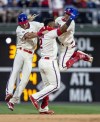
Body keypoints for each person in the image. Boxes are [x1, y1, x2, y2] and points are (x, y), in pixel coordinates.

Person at [25, 8, 78, 114]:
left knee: (47, 86)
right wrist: (71, 18)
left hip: (41, 62)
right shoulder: (50, 32)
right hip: (50, 62)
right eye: (54, 24)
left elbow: (30, 35)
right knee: (56, 85)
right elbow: (63, 29)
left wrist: (28, 33)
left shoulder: (41, 32)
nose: (55, 25)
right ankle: (35, 97)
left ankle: (44, 108)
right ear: (49, 25)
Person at [5, 13, 43, 111]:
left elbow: (46, 26)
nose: (23, 24)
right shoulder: (19, 29)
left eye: (24, 22)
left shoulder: (35, 24)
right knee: (15, 72)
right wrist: (41, 33)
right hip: (21, 52)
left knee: (25, 79)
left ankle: (12, 101)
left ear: (27, 21)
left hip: (30, 55)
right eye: (21, 23)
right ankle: (9, 93)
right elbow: (29, 35)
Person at [55, 7, 93, 71]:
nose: (67, 15)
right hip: (60, 44)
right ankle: (78, 54)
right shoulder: (58, 19)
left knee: (61, 68)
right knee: (54, 61)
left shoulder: (71, 23)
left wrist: (71, 18)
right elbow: (54, 25)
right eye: (66, 13)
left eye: (69, 14)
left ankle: (78, 56)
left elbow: (62, 30)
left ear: (72, 16)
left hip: (67, 46)